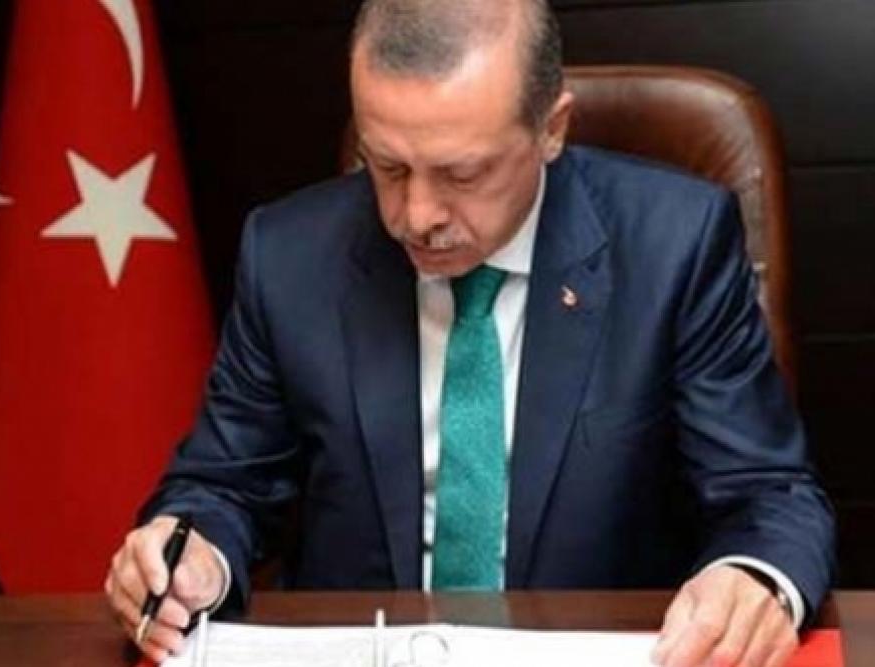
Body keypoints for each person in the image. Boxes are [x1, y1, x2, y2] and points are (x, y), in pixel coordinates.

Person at [104, 1, 835, 665]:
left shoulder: (674, 244)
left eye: (461, 174)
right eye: (387, 166)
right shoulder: (290, 256)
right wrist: (190, 555)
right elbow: (224, 485)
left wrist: (750, 580)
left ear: (552, 129)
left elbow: (768, 494)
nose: (416, 215)